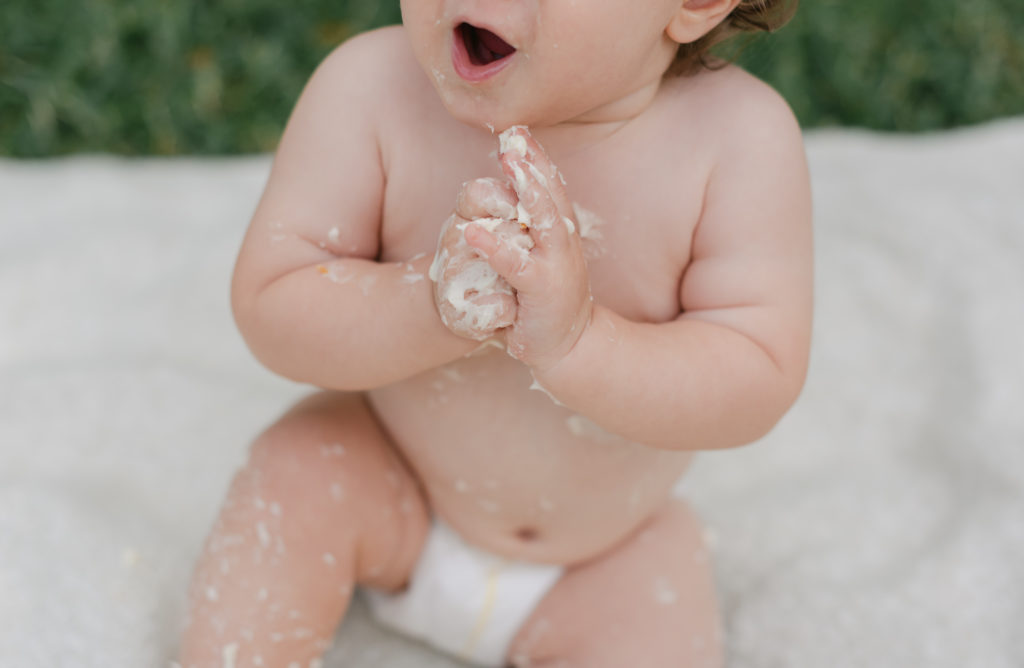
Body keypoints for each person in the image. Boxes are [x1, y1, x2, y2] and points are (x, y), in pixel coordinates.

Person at [177, 0, 812, 665]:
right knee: (297, 472)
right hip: (393, 485)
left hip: (603, 556)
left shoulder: (737, 144)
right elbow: (272, 304)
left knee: (659, 608)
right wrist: (426, 303)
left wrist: (580, 343)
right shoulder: (370, 89)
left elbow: (755, 374)